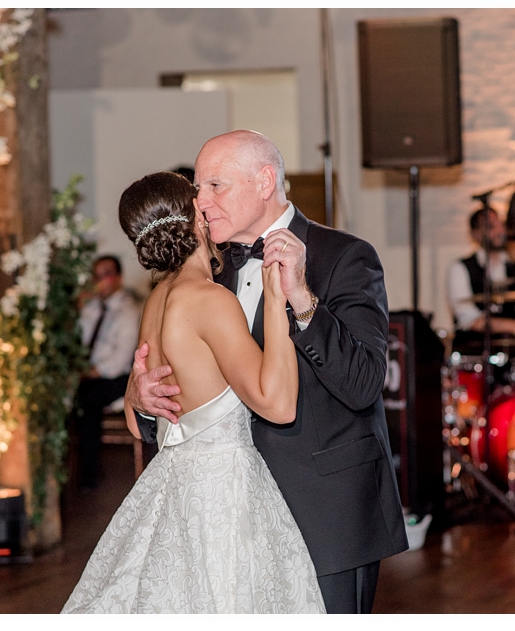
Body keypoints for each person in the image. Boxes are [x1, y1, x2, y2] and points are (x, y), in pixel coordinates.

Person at [126, 130, 408, 614]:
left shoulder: (344, 257)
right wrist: (142, 399)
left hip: (325, 514)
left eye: (216, 186)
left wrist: (301, 301)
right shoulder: (204, 275)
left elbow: (364, 385)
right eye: (198, 189)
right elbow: (188, 400)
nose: (202, 201)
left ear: (264, 181)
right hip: (229, 516)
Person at [62, 171, 325, 614]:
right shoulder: (208, 300)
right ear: (197, 219)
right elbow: (278, 405)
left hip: (172, 488)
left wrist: (135, 395)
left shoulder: (157, 300)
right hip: (225, 495)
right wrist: (278, 300)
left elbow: (136, 417)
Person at [72, 255, 142, 491]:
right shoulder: (91, 307)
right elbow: (77, 342)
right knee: (79, 395)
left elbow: (120, 359)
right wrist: (78, 309)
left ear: (119, 277)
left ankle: (90, 474)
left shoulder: (128, 310)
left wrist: (90, 372)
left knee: (87, 399)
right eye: (97, 275)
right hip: (88, 375)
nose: (102, 281)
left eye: (107, 274)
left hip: (118, 377)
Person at [447, 205, 515, 357]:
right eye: (490, 227)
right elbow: (469, 318)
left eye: (500, 225)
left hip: (512, 355)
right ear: (475, 234)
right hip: (475, 354)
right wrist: (514, 326)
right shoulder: (460, 269)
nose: (499, 231)